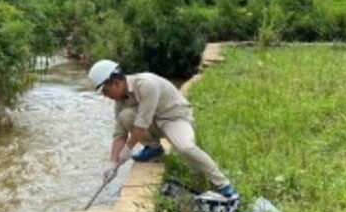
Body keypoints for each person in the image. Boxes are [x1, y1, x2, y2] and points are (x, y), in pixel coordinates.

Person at [88, 59, 237, 198]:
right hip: (154, 123)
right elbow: (119, 133)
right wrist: (113, 162)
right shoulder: (120, 101)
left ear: (116, 83)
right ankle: (153, 148)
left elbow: (142, 124)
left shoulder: (146, 84)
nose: (106, 96)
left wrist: (128, 149)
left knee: (185, 148)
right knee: (125, 116)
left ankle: (222, 183)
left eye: (106, 92)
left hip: (174, 118)